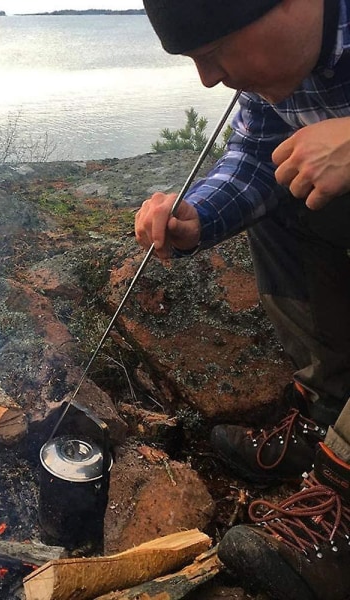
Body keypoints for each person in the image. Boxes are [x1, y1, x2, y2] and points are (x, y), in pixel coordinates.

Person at [136, 1, 350, 599]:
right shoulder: (276, 75)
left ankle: (346, 503)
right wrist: (195, 216)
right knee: (286, 184)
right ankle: (328, 414)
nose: (207, 78)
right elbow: (256, 156)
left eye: (214, 50)